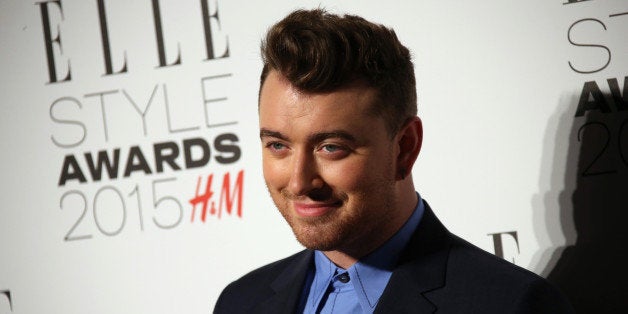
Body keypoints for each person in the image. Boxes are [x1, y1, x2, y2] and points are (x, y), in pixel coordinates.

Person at [214, 8, 574, 314]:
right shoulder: (241, 302)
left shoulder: (509, 304)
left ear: (405, 146)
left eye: (331, 147)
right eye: (278, 145)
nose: (298, 182)